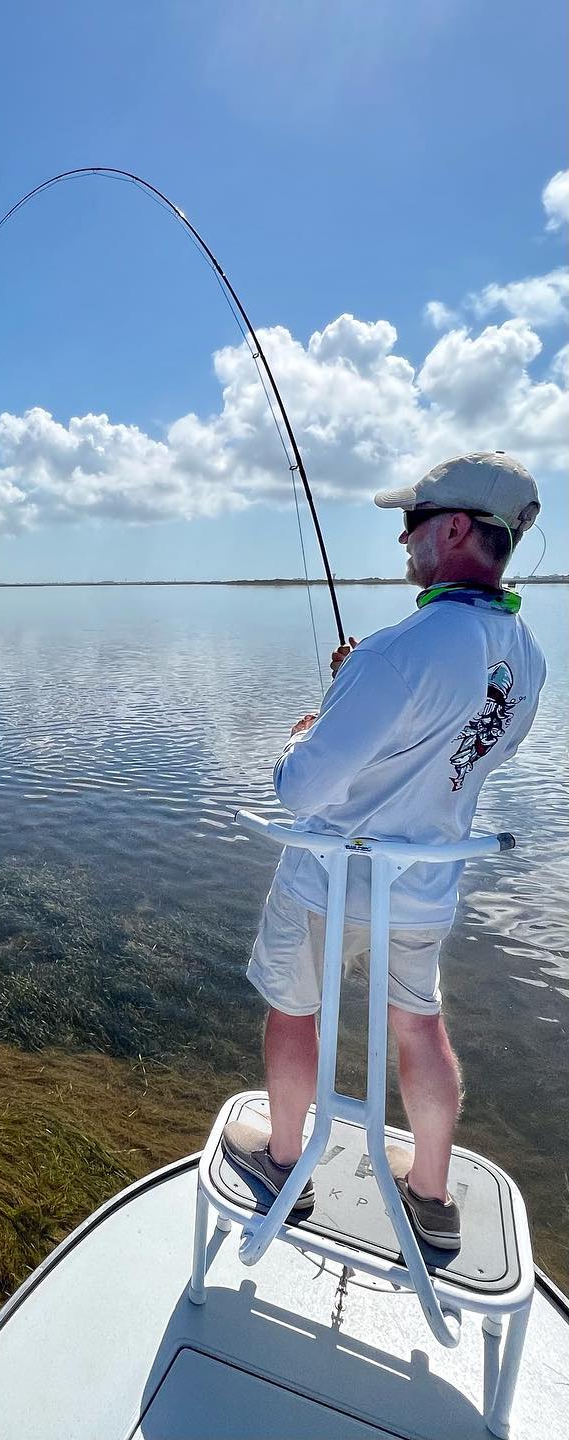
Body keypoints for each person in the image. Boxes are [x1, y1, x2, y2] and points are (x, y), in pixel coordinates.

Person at [222, 452, 545, 1250]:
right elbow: (448, 750)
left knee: (295, 1009)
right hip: (427, 884)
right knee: (419, 1025)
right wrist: (357, 692)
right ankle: (430, 1197)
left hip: (332, 880)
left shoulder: (398, 652)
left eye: (414, 523)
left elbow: (302, 789)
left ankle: (286, 1164)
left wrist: (317, 721)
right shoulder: (526, 655)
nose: (403, 540)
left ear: (459, 528)